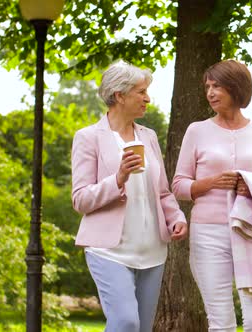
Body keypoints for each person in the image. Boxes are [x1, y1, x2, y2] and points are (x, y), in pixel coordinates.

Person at [71, 60, 188, 332]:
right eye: (141, 91)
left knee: (142, 328)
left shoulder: (148, 136)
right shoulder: (88, 138)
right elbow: (80, 199)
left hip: (152, 250)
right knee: (125, 322)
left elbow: (162, 191)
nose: (147, 98)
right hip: (109, 250)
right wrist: (118, 179)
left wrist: (176, 217)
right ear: (119, 95)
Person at [173, 60, 252, 332]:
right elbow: (179, 185)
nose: (211, 93)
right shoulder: (197, 131)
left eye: (218, 86)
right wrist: (210, 183)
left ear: (236, 88)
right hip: (209, 234)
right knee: (221, 324)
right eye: (208, 87)